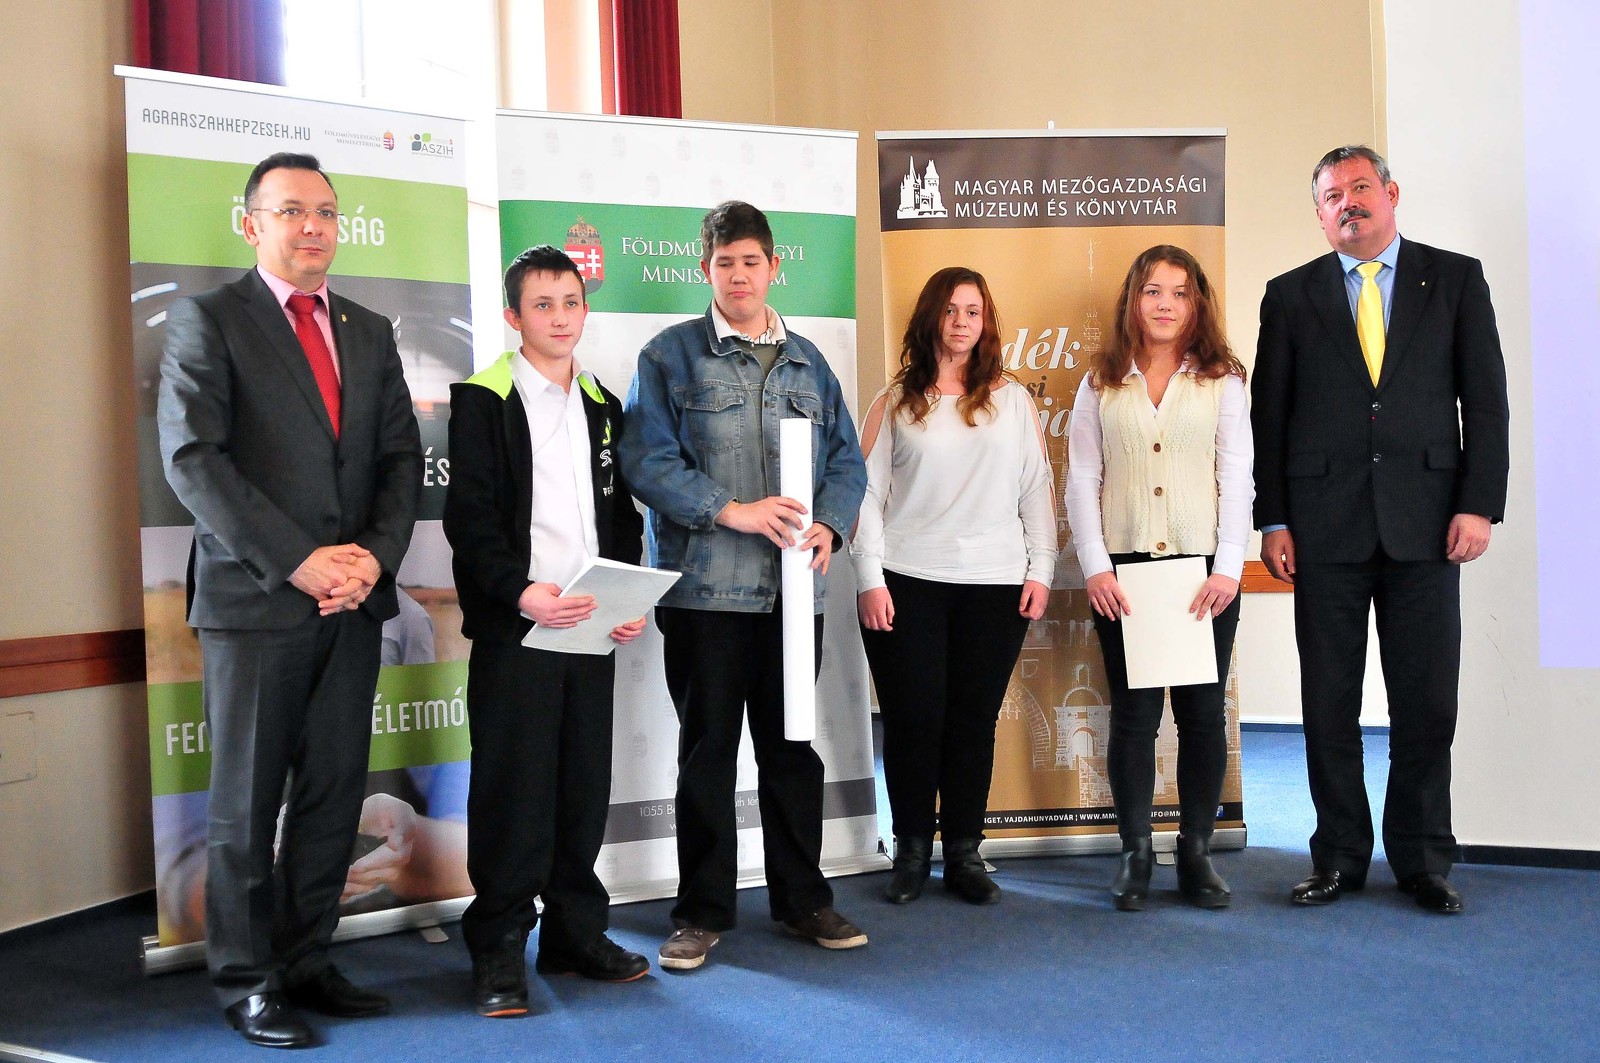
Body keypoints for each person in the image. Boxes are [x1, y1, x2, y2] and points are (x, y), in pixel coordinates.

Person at [158, 152, 422, 1048]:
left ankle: (307, 958)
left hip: (353, 605)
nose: (313, 226)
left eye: (326, 212)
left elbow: (399, 461)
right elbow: (194, 460)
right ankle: (247, 980)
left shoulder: (368, 330)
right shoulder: (208, 320)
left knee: (333, 794)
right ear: (252, 224)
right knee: (244, 804)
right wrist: (298, 560)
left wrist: (373, 561)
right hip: (256, 603)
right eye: (291, 211)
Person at [1252, 145, 1510, 914]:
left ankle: (1423, 858)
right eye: (1333, 196)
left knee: (1426, 704)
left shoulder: (1455, 279)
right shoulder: (1289, 295)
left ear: (1392, 194)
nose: (1349, 203)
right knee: (1328, 704)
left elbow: (1485, 401)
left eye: (1361, 187)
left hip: (1429, 526)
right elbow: (1270, 416)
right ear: (1320, 213)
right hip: (1322, 530)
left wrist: (1478, 502)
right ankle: (1337, 856)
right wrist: (1274, 517)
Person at [619, 201, 868, 972]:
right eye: (724, 262)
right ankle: (700, 913)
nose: (738, 275)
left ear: (773, 267)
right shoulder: (668, 356)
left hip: (794, 597)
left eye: (750, 261)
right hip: (705, 596)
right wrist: (733, 510)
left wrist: (830, 524)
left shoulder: (809, 363)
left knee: (793, 751)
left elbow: (846, 461)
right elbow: (646, 461)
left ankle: (803, 900)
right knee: (708, 756)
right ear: (706, 269)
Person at [443, 245, 650, 1017]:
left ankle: (574, 932)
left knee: (581, 786)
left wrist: (624, 594)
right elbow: (470, 520)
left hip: (589, 626)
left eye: (570, 302)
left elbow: (621, 517)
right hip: (518, 627)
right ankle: (499, 942)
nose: (560, 317)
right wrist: (521, 592)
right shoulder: (483, 399)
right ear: (513, 315)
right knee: (513, 790)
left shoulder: (603, 403)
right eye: (542, 304)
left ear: (584, 309)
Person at [851, 267, 1054, 905]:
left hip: (995, 585)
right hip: (906, 580)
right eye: (950, 309)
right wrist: (869, 579)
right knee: (913, 720)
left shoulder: (1012, 401)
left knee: (972, 722)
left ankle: (965, 851)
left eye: (973, 310)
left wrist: (1041, 570)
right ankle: (911, 849)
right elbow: (866, 499)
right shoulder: (894, 403)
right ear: (930, 318)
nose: (962, 321)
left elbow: (1036, 490)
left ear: (985, 321)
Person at [1065, 245, 1252, 911]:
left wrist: (1229, 567)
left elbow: (1237, 475)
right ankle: (1135, 852)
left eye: (1178, 292)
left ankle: (1196, 852)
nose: (1165, 304)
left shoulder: (1223, 380)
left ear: (1196, 303)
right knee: (1135, 718)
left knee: (1202, 717)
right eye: (1152, 291)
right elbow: (1082, 478)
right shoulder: (1101, 382)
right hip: (1126, 574)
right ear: (1133, 301)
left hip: (1205, 574)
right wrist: (1096, 565)